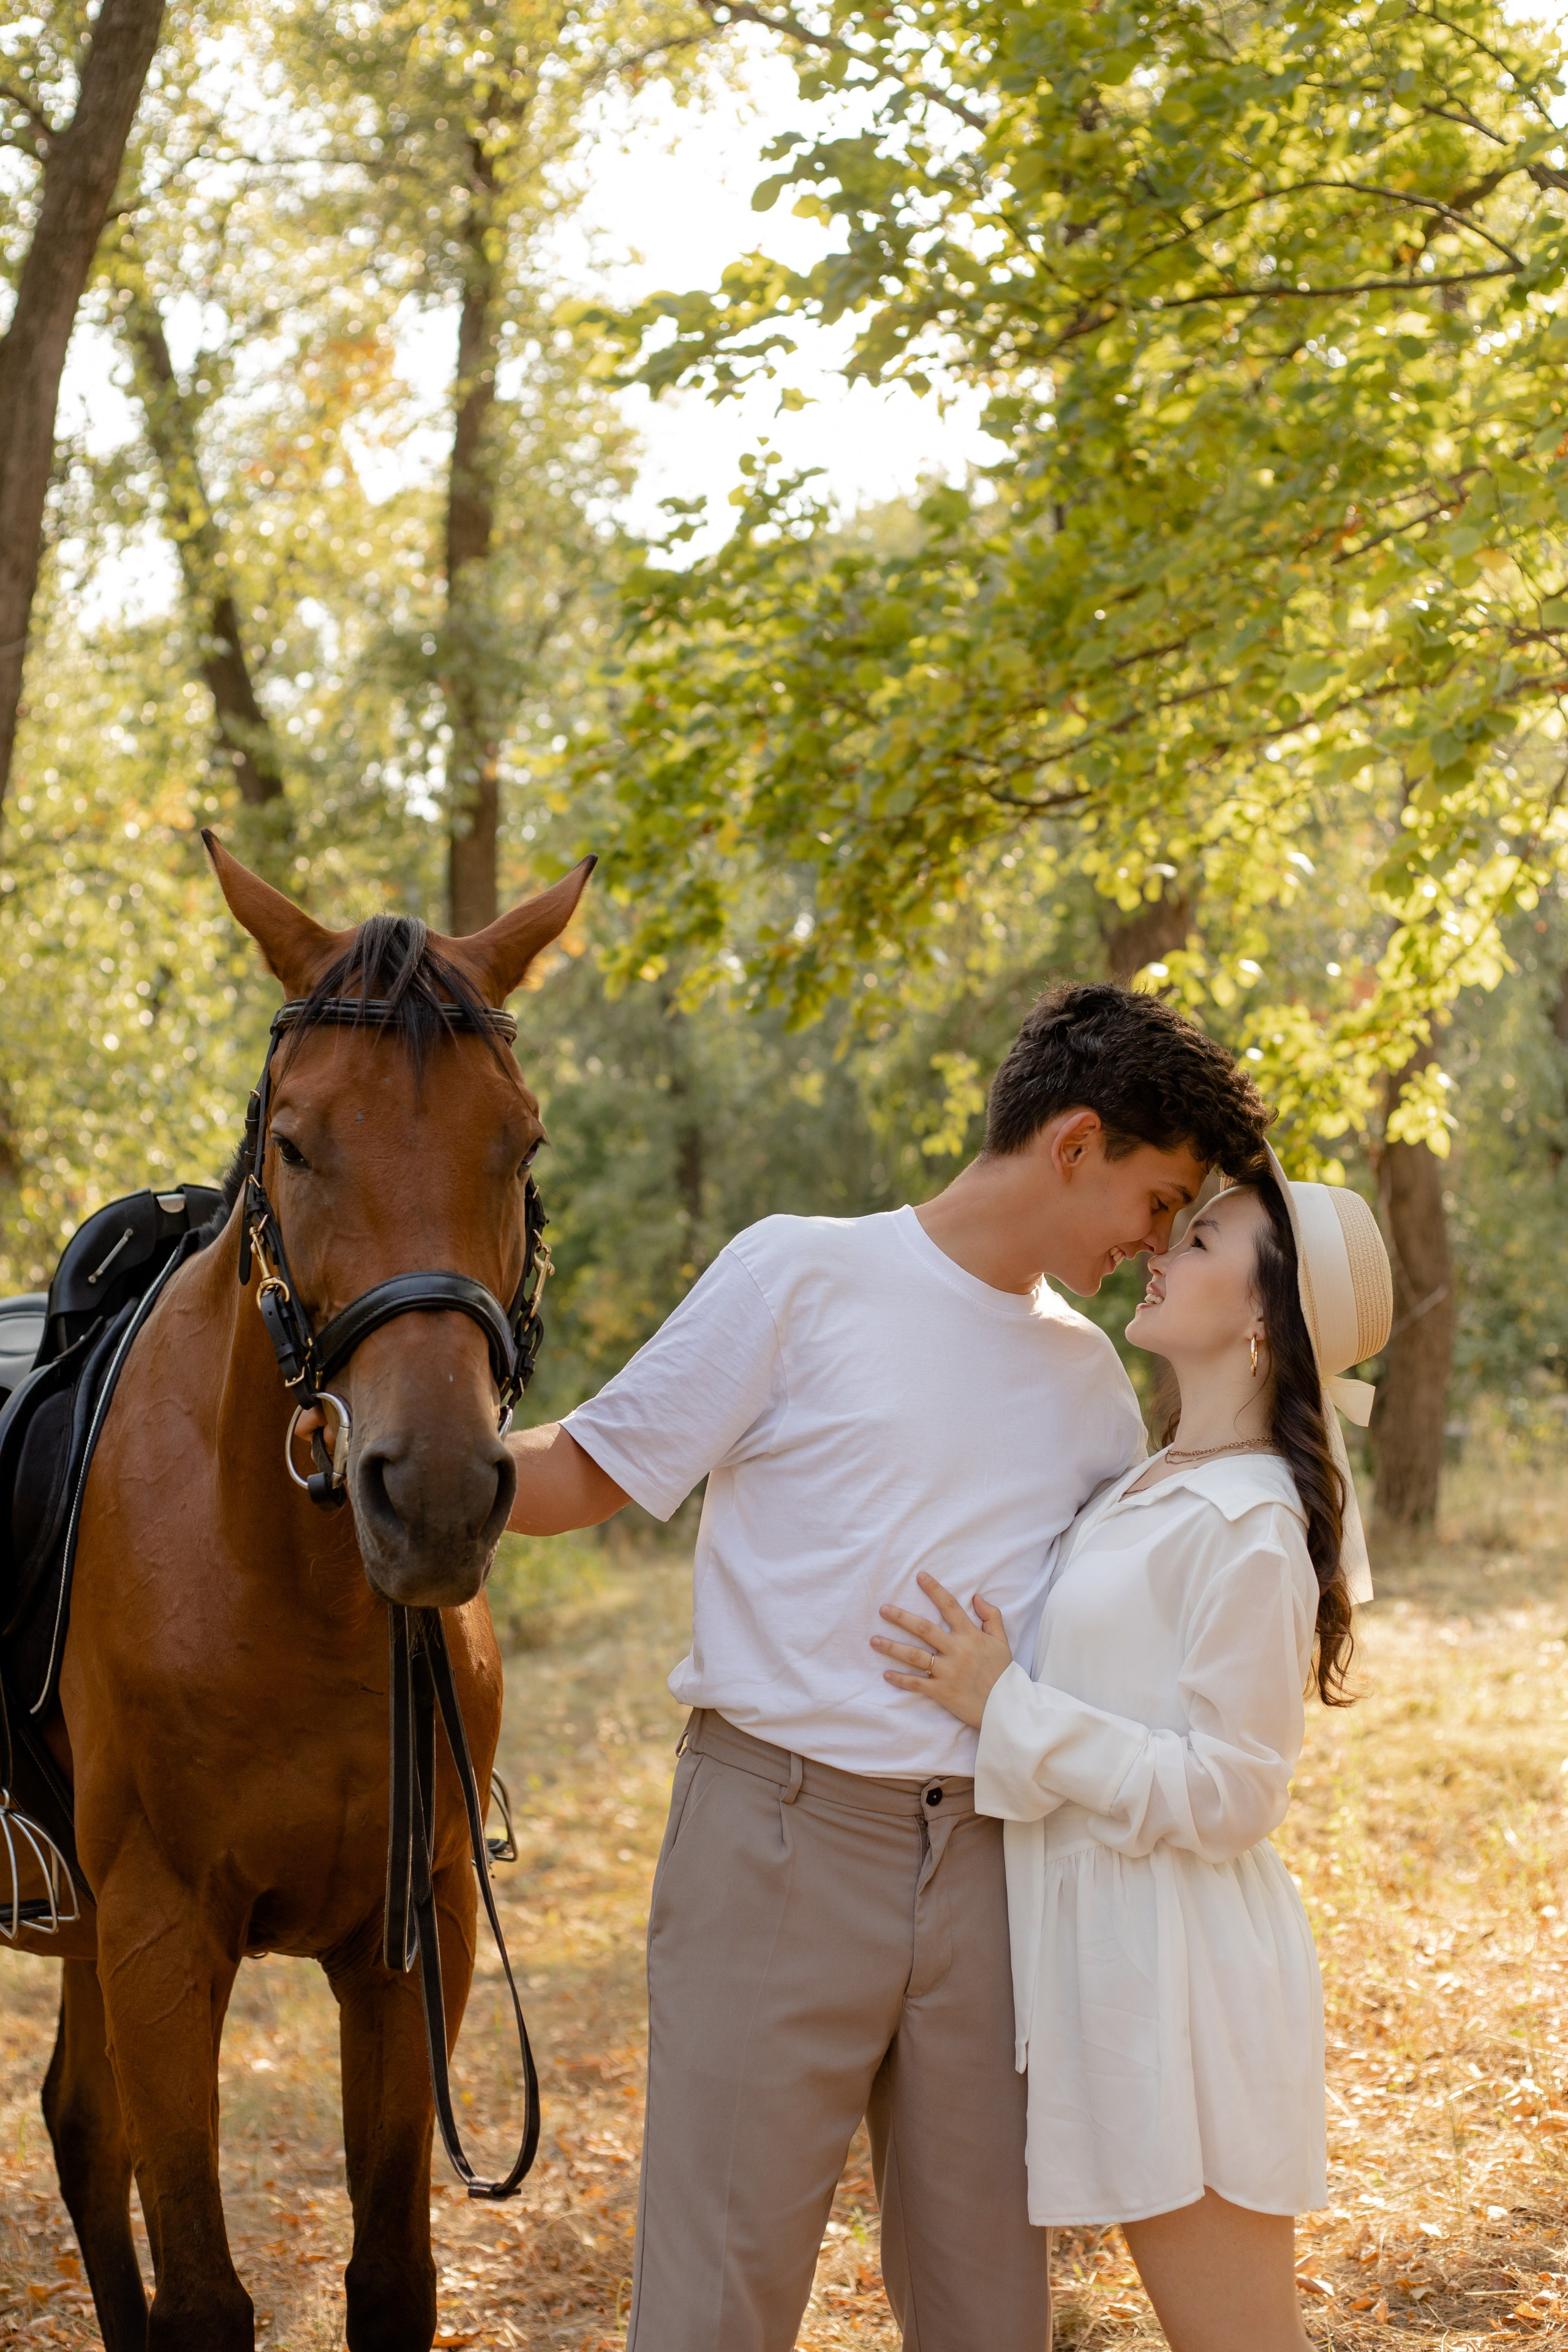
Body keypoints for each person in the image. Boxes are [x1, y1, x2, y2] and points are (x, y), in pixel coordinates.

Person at [503, 982, 1272, 2352]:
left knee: (989, 2312)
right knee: (714, 2307)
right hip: (777, 1841)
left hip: (991, 1869)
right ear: (1074, 1143)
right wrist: (380, 1469)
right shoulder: (798, 1273)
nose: (1154, 1244)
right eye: (1156, 1201)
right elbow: (580, 1470)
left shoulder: (1089, 1381)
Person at [873, 1148, 1392, 2352]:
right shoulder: (1145, 1484)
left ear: (1266, 1318)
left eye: (1202, 1242)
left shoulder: (1252, 1524)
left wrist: (1005, 1704)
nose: (1161, 1251)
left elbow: (1231, 1792)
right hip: (1100, 1965)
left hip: (1183, 1989)